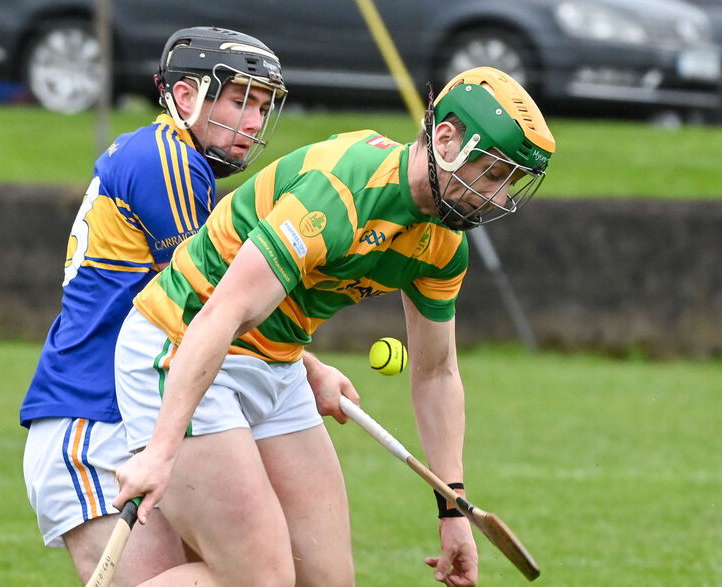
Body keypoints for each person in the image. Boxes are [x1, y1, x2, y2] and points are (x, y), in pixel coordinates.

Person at [113, 65, 556, 587]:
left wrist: (452, 510)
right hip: (183, 344)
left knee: (327, 580)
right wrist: (161, 449)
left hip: (276, 362)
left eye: (511, 183)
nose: (502, 198)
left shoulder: (442, 245)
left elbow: (437, 373)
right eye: (495, 174)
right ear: (445, 140)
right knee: (261, 579)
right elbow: (223, 313)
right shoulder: (339, 192)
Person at [19, 26, 293, 585]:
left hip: (125, 420)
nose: (253, 122)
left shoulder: (165, 157)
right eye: (240, 100)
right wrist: (301, 367)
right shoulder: (166, 160)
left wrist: (303, 366)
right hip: (91, 425)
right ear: (186, 97)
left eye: (262, 107)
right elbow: (210, 306)